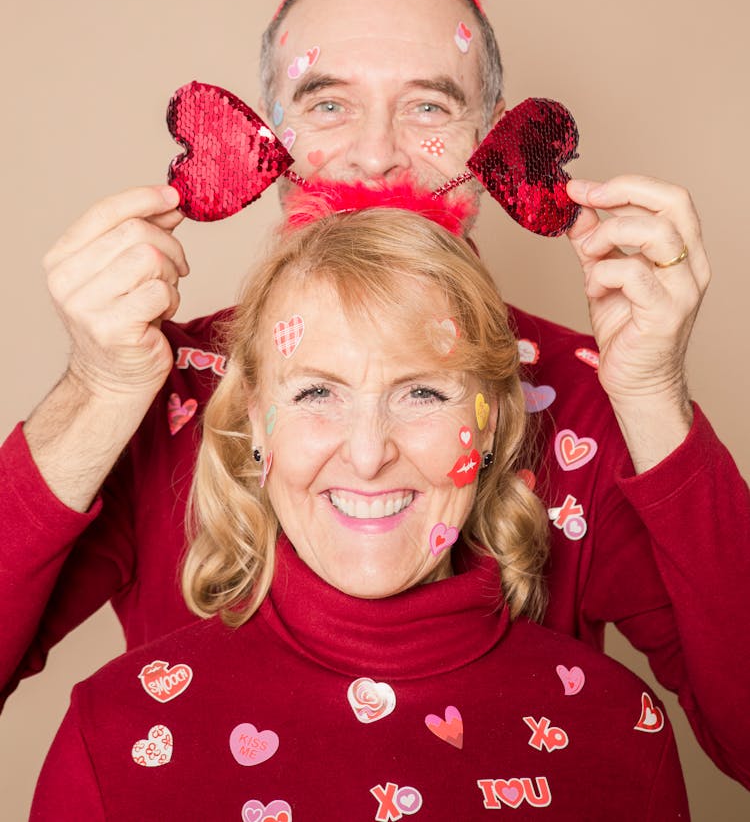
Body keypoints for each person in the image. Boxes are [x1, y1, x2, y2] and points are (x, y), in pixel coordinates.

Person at [1, 0, 749, 791]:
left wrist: (654, 392)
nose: (375, 153)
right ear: (262, 140)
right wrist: (96, 390)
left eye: (429, 106)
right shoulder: (162, 388)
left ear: (492, 150)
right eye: (327, 103)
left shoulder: (586, 397)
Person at [31, 207, 690, 820]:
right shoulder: (116, 729)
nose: (369, 454)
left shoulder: (617, 726)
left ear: (490, 422)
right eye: (318, 391)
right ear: (255, 420)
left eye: (423, 392)